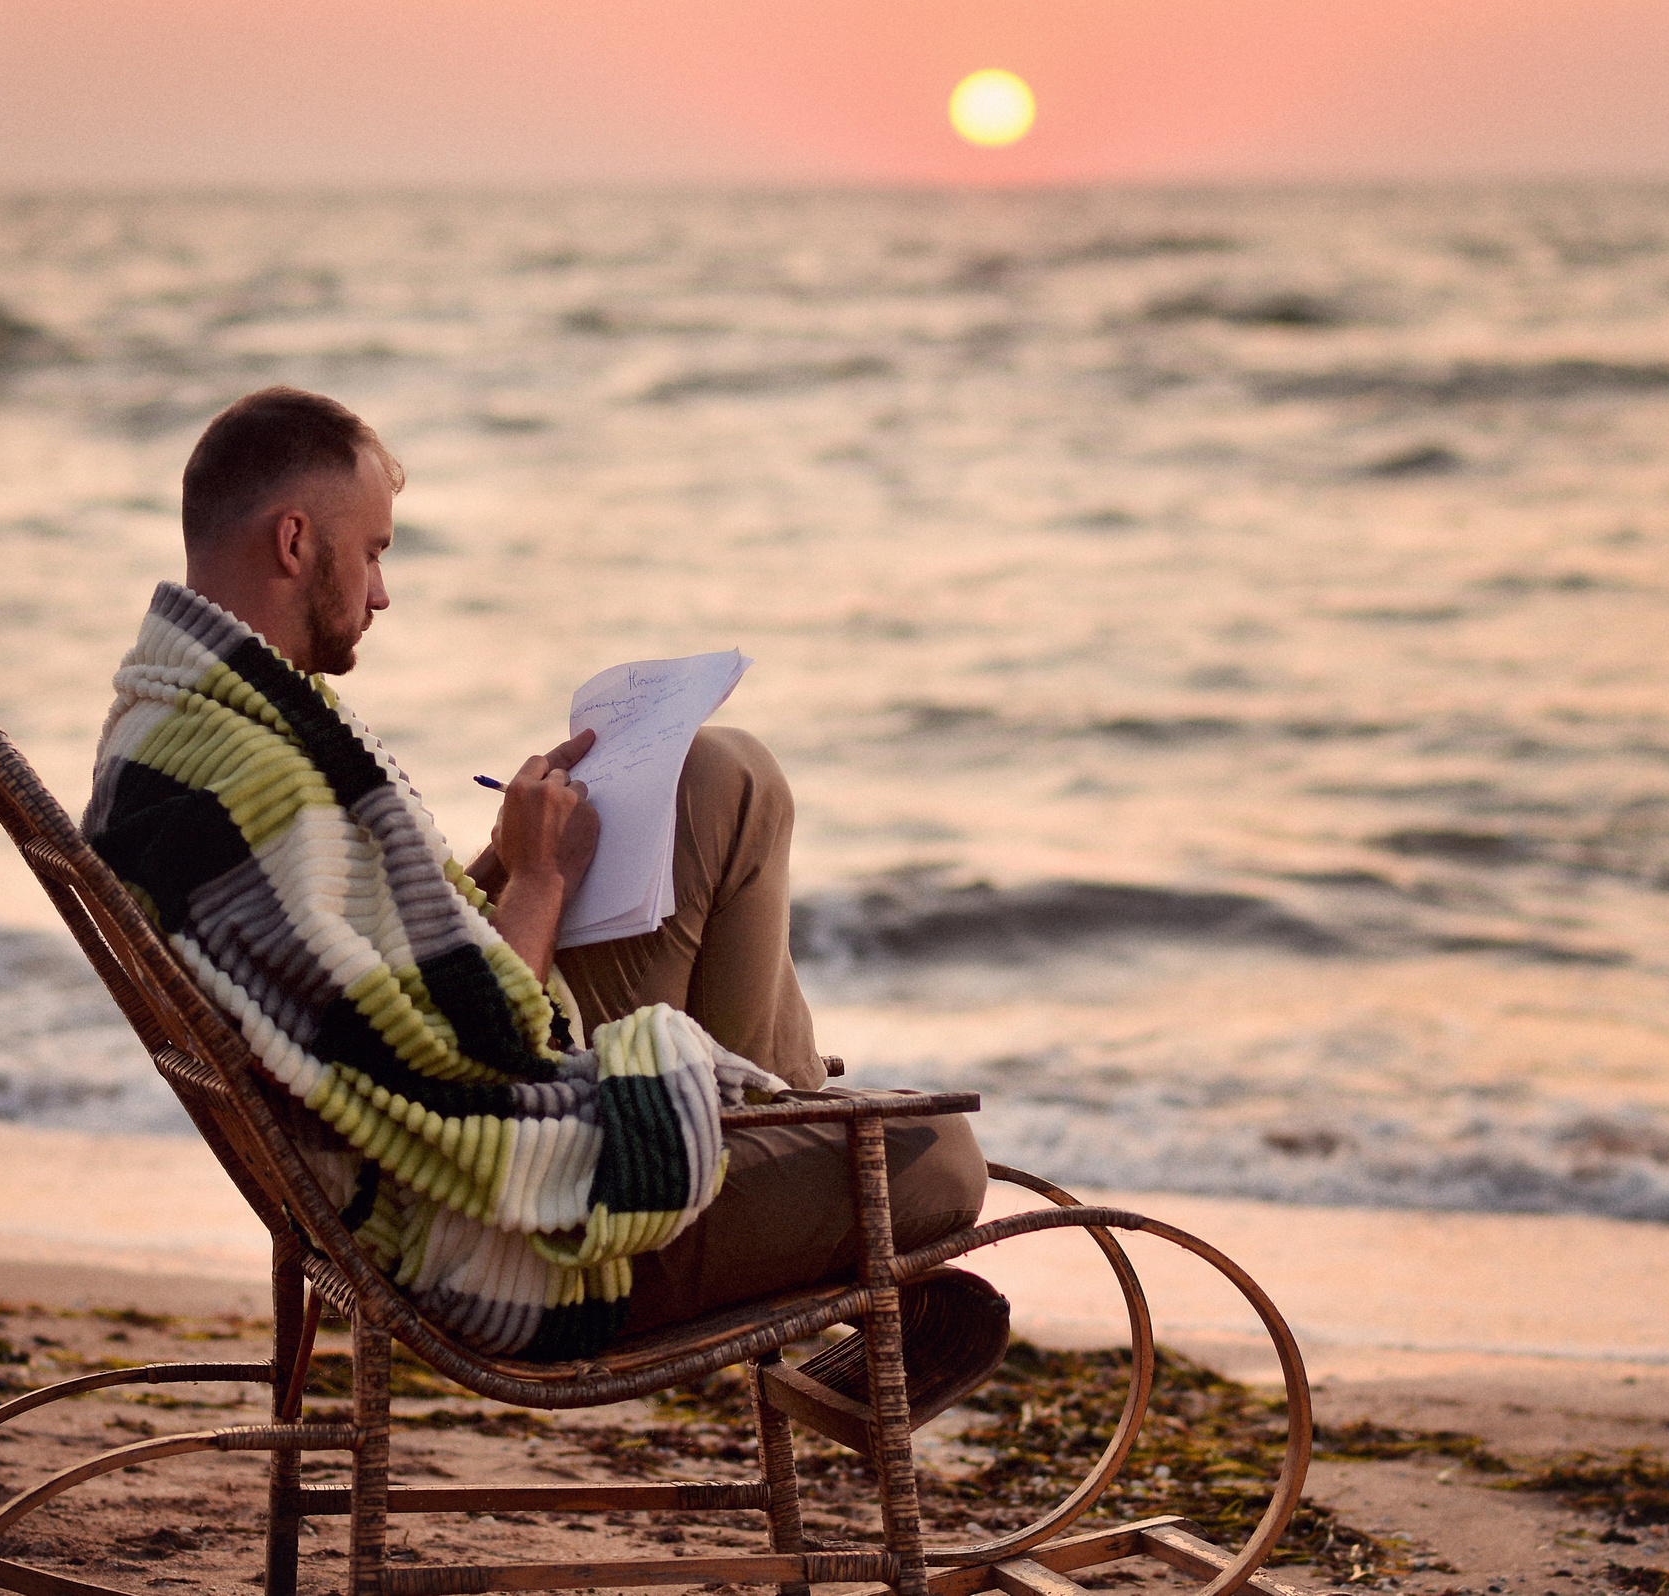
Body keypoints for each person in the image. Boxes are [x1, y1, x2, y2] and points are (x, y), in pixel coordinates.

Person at [84, 386, 998, 1394]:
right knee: (936, 1158)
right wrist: (540, 879)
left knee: (721, 779)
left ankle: (785, 1139)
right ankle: (797, 1172)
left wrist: (507, 854)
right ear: (295, 540)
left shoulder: (185, 733)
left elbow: (381, 999)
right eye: (375, 550)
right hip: (499, 1233)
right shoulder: (247, 778)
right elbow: (470, 1074)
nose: (382, 592)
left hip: (460, 1116)